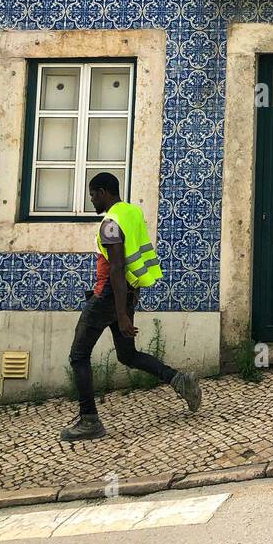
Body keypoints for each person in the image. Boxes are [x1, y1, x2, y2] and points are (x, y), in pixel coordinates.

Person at [61, 172, 202, 442]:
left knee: (78, 356)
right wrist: (128, 302)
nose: (91, 200)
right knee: (127, 355)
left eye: (92, 194)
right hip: (123, 295)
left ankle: (89, 420)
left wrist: (122, 315)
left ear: (103, 192)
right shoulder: (132, 213)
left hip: (107, 297)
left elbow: (117, 267)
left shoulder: (110, 224)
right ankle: (180, 380)